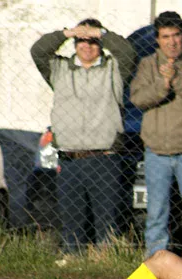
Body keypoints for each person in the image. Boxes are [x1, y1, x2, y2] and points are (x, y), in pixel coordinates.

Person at [30, 19, 136, 255]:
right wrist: (65, 33)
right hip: (69, 159)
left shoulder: (113, 68)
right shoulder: (59, 69)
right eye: (81, 40)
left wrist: (102, 33)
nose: (87, 46)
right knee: (72, 221)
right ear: (74, 43)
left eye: (93, 41)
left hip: (104, 159)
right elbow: (38, 50)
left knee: (107, 222)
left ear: (100, 43)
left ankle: (106, 262)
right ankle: (73, 261)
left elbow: (127, 50)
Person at [130, 11, 182, 262]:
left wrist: (177, 79)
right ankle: (156, 261)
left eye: (176, 35)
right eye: (165, 37)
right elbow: (138, 99)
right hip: (156, 151)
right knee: (156, 212)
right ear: (157, 39)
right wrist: (162, 86)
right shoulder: (147, 64)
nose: (171, 42)